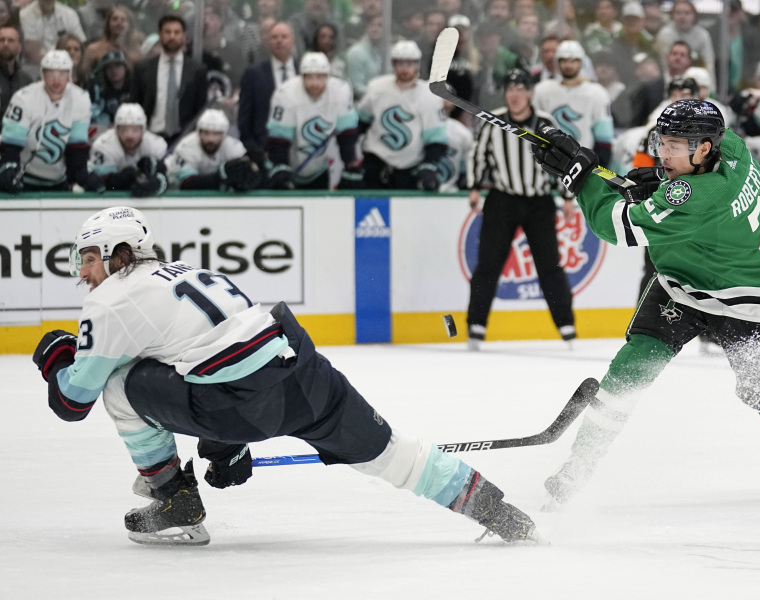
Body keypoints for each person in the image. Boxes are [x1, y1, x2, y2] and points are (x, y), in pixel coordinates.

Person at [32, 205, 540, 546]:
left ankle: (175, 500)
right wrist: (221, 445)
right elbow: (218, 344)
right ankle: (499, 513)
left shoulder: (108, 298)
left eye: (90, 256)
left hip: (233, 401)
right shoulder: (185, 270)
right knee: (394, 454)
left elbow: (73, 402)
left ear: (119, 252)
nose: (84, 269)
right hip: (300, 371)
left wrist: (56, 356)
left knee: (121, 383)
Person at [530, 98, 760, 506]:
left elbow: (614, 226)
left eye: (673, 145)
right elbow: (678, 190)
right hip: (684, 286)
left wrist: (580, 178)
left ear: (703, 148)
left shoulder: (701, 196)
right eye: (661, 141)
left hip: (753, 304)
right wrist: (657, 179)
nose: (662, 152)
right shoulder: (733, 148)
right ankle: (577, 467)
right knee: (628, 371)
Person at [466, 68, 575, 350]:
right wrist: (475, 187)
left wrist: (566, 197)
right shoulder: (493, 121)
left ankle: (567, 327)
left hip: (539, 202)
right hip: (503, 199)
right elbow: (478, 154)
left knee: (549, 266)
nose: (514, 95)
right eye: (510, 90)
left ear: (530, 93)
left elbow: (561, 161)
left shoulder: (545, 123)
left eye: (520, 90)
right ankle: (476, 326)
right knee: (488, 264)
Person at [0, 50, 103, 193]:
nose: (56, 80)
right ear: (42, 75)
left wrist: (82, 174)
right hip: (23, 178)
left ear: (70, 76)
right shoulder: (23, 98)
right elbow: (11, 144)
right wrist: (9, 168)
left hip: (58, 180)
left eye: (62, 74)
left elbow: (76, 148)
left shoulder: (81, 98)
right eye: (51, 74)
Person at [357, 40, 447, 191]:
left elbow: (436, 139)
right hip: (376, 160)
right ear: (393, 64)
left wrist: (429, 164)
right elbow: (361, 123)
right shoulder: (377, 88)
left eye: (410, 63)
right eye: (400, 63)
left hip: (409, 166)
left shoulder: (429, 95)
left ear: (418, 65)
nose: (405, 69)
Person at [266, 51, 360, 190]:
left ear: (328, 76)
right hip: (289, 165)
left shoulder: (341, 91)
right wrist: (281, 166)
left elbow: (347, 134)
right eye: (309, 77)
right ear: (301, 77)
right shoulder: (285, 94)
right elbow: (279, 139)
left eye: (320, 77)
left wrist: (350, 164)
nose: (315, 83)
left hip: (319, 169)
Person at [533, 40, 613, 170]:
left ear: (582, 63)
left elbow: (603, 138)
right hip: (548, 165)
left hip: (584, 165)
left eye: (574, 60)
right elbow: (535, 129)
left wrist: (597, 167)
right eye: (564, 60)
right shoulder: (542, 91)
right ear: (557, 62)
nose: (568, 65)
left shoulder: (597, 93)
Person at [131, 15, 208, 143]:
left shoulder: (197, 70)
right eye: (167, 32)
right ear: (160, 35)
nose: (172, 36)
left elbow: (200, 109)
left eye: (177, 32)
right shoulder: (143, 68)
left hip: (184, 138)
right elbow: (135, 104)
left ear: (184, 36)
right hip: (150, 136)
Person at [237, 21, 297, 159]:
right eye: (274, 37)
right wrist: (254, 149)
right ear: (268, 42)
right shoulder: (254, 74)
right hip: (264, 149)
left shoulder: (304, 72)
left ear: (292, 41)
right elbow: (245, 117)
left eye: (284, 37)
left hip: (300, 150)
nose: (279, 41)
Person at [164, 108, 262, 192]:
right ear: (199, 133)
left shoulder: (234, 147)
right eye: (206, 133)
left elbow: (249, 175)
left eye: (216, 134)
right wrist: (220, 177)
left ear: (224, 135)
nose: (210, 139)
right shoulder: (187, 146)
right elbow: (186, 184)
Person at [88, 103, 167, 197]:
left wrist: (157, 182)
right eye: (124, 130)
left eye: (135, 130)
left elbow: (168, 178)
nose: (130, 136)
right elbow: (100, 183)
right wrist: (122, 180)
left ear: (143, 130)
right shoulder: (103, 146)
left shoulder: (155, 145)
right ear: (116, 130)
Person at [18, 0, 85, 68]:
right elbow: (32, 53)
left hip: (68, 64)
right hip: (37, 66)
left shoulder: (69, 13)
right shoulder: (25, 15)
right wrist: (56, 66)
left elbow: (80, 43)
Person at [87, 50, 133, 134]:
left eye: (117, 65)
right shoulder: (101, 94)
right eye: (109, 67)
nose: (113, 70)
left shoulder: (135, 89)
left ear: (125, 67)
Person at [0, 25, 33, 130]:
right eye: (1, 40)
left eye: (11, 40)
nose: (5, 44)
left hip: (18, 138)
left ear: (19, 46)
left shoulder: (26, 80)